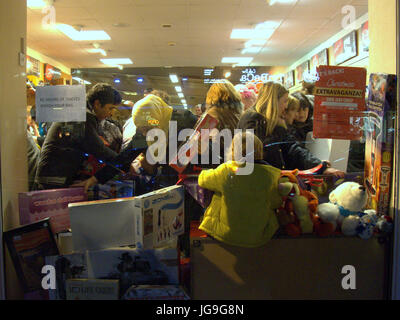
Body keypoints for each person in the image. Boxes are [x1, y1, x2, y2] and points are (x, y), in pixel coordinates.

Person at [35, 83, 143, 190]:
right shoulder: (83, 118)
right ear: (97, 104)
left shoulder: (79, 114)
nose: (110, 113)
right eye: (110, 108)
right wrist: (125, 166)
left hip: (53, 177)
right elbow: (100, 150)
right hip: (55, 179)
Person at [237, 81, 344, 176]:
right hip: (260, 182)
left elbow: (291, 148)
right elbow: (256, 156)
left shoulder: (270, 121)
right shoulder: (254, 120)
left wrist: (319, 166)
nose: (286, 106)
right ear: (274, 100)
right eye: (284, 101)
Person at [198, 131, 283, 247]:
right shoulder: (272, 175)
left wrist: (205, 171)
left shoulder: (227, 170)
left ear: (233, 151)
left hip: (225, 233)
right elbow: (276, 202)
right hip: (258, 235)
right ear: (260, 151)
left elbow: (203, 180)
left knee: (218, 194)